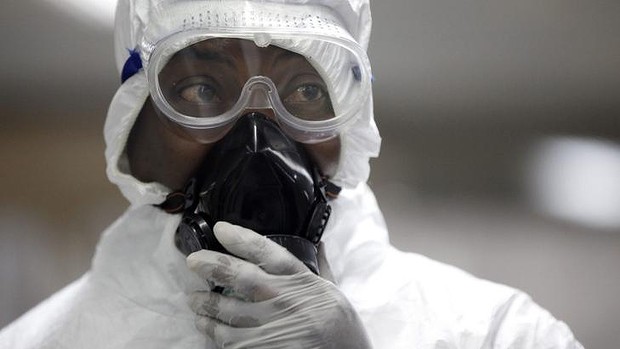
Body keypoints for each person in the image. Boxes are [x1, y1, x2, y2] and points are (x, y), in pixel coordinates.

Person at [0, 0, 583, 348]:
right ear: (136, 129)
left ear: (347, 128)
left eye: (306, 91)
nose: (258, 133)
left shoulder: (495, 332)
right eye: (203, 90)